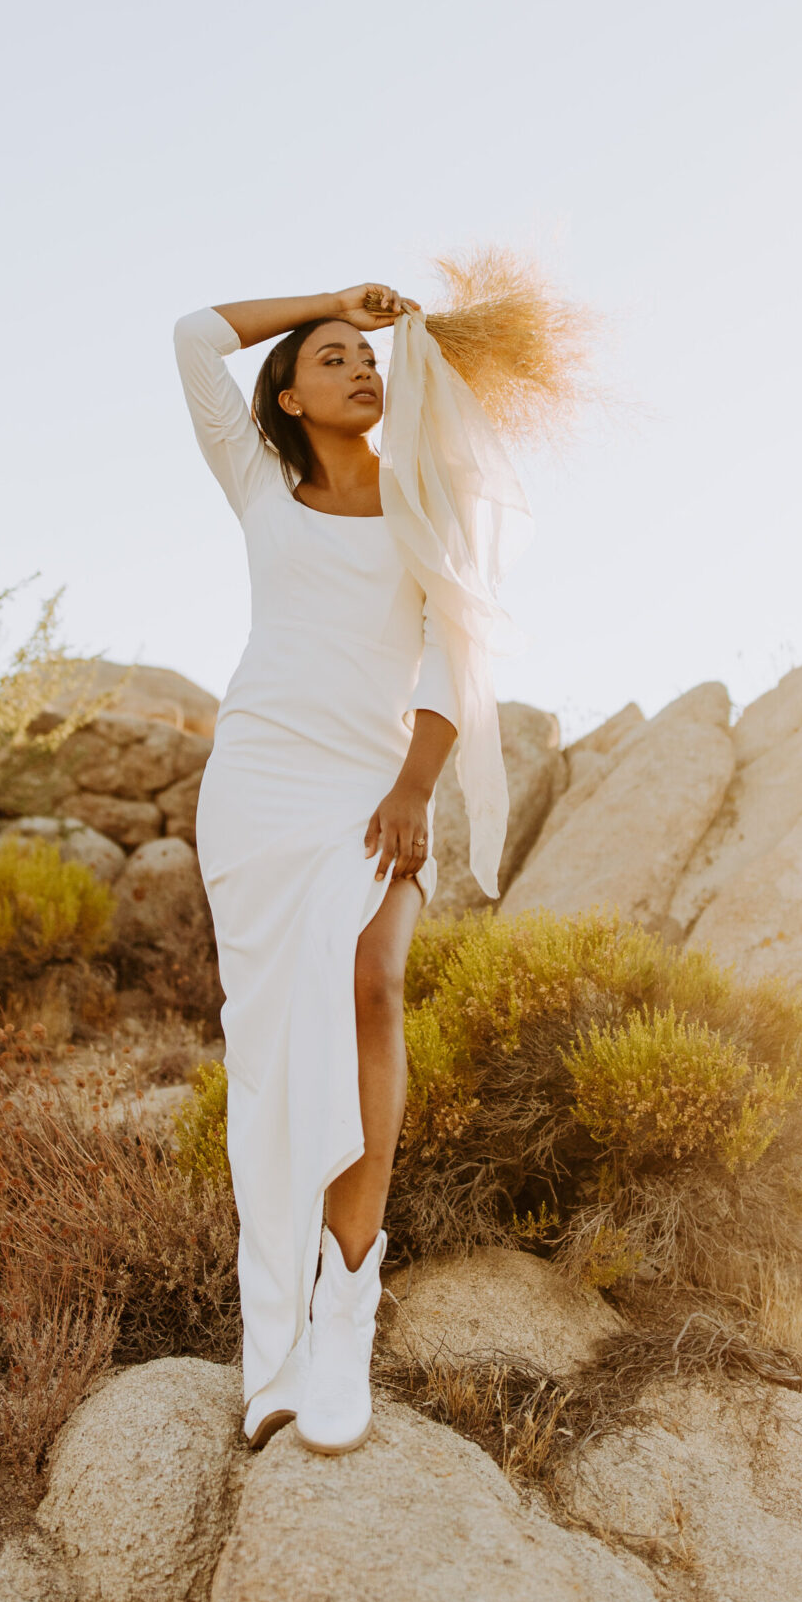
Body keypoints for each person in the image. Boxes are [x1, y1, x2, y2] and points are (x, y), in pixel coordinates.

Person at [175, 282, 510, 1457]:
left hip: (371, 790)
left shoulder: (432, 491)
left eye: (369, 355)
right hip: (259, 786)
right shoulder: (259, 482)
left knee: (374, 983)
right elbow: (193, 337)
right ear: (288, 390)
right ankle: (269, 1358)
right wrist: (332, 296)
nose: (361, 368)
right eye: (331, 357)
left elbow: (458, 656)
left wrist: (416, 786)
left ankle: (345, 1324)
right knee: (267, 1063)